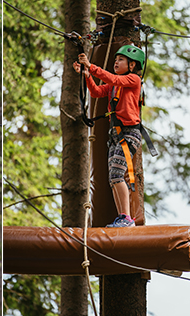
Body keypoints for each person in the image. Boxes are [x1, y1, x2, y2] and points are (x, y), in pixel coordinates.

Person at [74, 45, 146, 228]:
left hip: (129, 133)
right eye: (116, 59)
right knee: (113, 177)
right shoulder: (114, 86)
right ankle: (123, 217)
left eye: (120, 60)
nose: (116, 62)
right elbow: (97, 92)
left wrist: (90, 66)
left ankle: (127, 218)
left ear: (132, 65)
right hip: (116, 135)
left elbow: (113, 78)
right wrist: (87, 75)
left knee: (116, 174)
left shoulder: (133, 79)